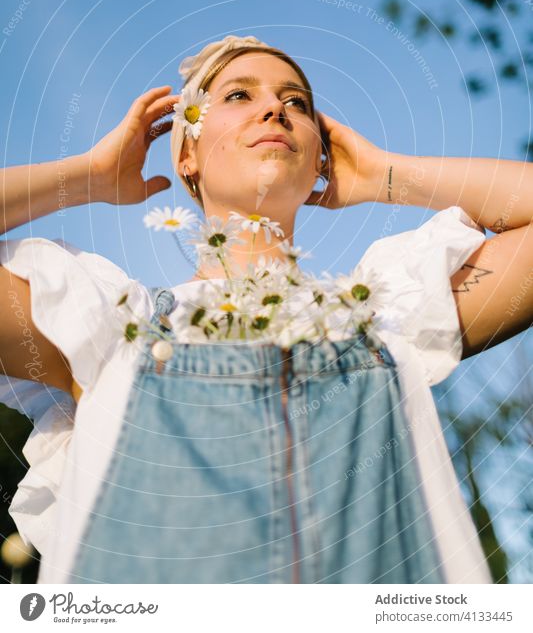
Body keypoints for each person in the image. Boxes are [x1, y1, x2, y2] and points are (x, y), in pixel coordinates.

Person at [0, 34, 532, 585]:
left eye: (297, 102)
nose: (275, 108)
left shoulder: (390, 308)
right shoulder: (110, 323)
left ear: (319, 155)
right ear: (188, 154)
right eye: (237, 96)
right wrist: (89, 176)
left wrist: (385, 174)